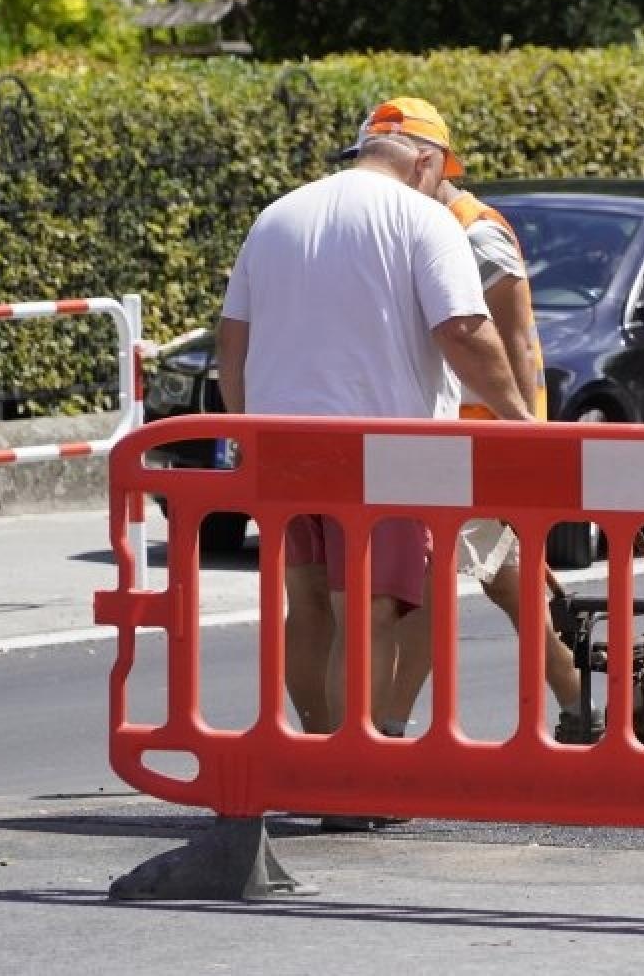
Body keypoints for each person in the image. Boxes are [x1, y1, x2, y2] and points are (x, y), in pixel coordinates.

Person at [216, 97, 534, 752]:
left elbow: (231, 344)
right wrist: (520, 420)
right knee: (369, 612)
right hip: (381, 453)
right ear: (424, 161)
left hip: (284, 447)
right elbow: (465, 331)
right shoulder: (425, 219)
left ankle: (312, 754)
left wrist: (249, 431)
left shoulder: (276, 217)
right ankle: (352, 772)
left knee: (306, 606)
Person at [380, 179, 601, 742]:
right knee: (509, 582)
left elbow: (516, 339)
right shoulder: (423, 225)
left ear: (425, 166)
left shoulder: (474, 234)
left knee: (430, 588)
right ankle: (578, 699)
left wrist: (525, 442)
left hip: (474, 448)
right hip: (450, 447)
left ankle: (386, 727)